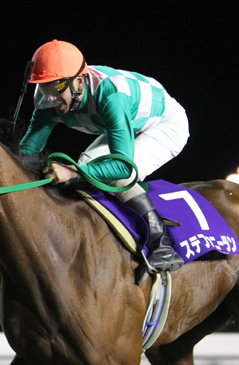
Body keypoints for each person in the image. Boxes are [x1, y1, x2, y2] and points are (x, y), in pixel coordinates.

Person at [19, 39, 189, 273]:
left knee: (112, 175)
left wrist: (73, 172)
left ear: (79, 82)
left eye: (56, 88)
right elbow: (27, 152)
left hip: (165, 123)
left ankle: (162, 244)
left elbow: (123, 167)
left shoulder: (110, 96)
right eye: (43, 88)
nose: (49, 98)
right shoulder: (52, 102)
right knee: (86, 166)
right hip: (128, 121)